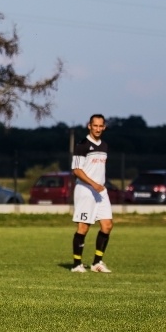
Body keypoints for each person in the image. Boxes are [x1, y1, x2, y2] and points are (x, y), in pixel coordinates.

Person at [70, 114, 113, 273]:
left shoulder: (104, 146)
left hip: (100, 191)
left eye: (101, 126)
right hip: (85, 190)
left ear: (104, 127)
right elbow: (76, 170)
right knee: (83, 228)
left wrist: (99, 184)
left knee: (107, 225)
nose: (98, 129)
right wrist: (93, 183)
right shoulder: (82, 145)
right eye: (95, 125)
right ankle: (76, 264)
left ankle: (97, 263)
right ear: (89, 126)